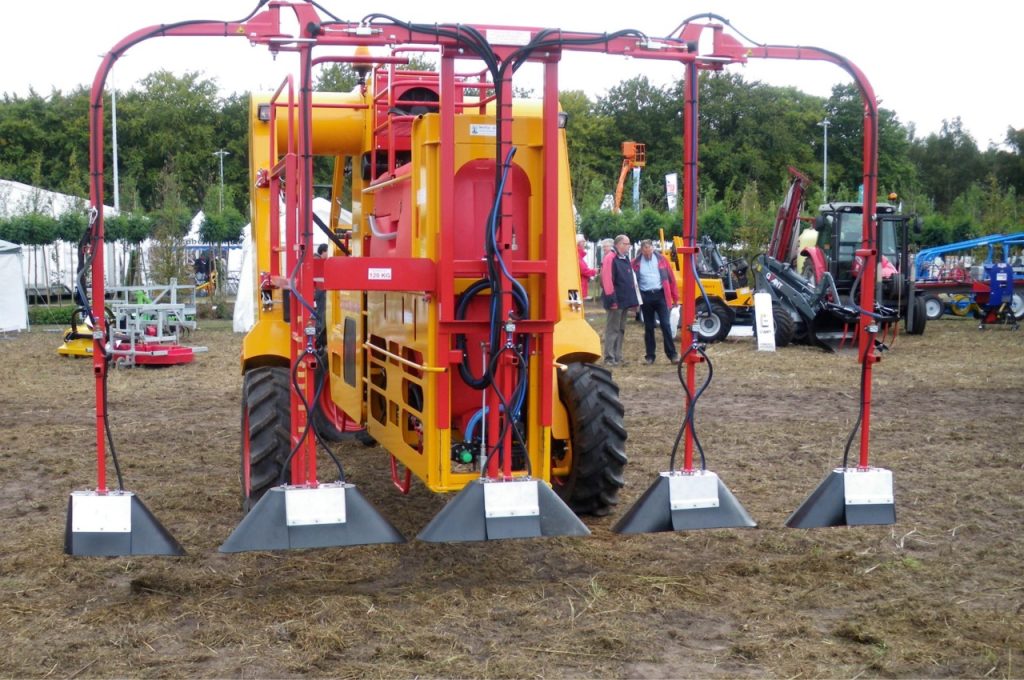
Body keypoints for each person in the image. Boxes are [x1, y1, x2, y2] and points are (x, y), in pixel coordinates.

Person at [632, 239, 680, 364]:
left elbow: (671, 279)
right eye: (645, 252)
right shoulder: (635, 263)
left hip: (660, 295)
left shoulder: (662, 260)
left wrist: (675, 298)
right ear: (642, 250)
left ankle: (672, 354)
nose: (648, 254)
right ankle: (650, 356)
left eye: (650, 251)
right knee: (649, 327)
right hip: (645, 297)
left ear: (653, 249)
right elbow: (632, 282)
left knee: (665, 324)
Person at [600, 234, 639, 366]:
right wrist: (612, 300)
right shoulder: (610, 258)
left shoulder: (624, 258)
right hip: (615, 301)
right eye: (627, 244)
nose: (629, 247)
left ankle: (617, 356)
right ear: (620, 244)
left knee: (621, 329)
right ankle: (609, 358)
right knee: (612, 329)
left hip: (624, 301)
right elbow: (607, 280)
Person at [576, 234, 597, 300]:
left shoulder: (578, 256)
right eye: (583, 242)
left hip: (579, 287)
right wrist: (594, 271)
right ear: (578, 243)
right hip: (579, 288)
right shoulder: (577, 256)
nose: (584, 244)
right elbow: (583, 270)